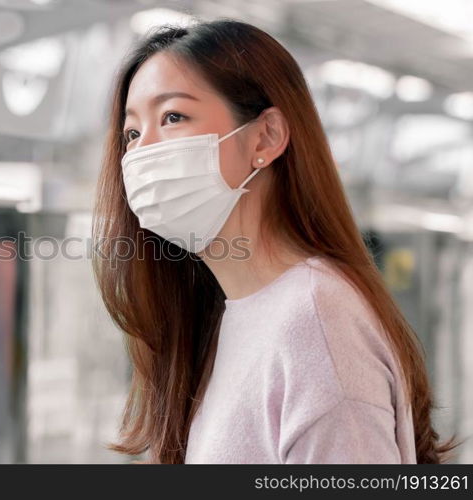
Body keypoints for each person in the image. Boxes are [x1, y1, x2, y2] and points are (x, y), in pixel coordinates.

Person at [91, 18, 461, 464]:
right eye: (132, 133)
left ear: (265, 136)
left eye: (173, 117)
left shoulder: (316, 325)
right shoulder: (226, 315)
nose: (142, 152)